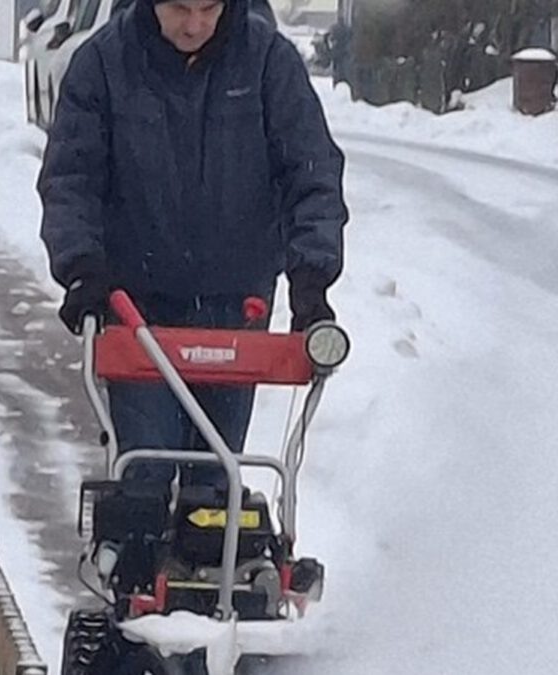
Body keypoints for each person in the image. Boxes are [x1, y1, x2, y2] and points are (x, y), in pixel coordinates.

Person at [37, 0, 347, 487]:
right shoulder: (104, 64)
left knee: (216, 478)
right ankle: (140, 532)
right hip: (137, 309)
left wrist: (311, 279)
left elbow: (311, 174)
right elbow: (71, 179)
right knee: (145, 468)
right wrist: (81, 267)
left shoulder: (268, 62)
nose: (195, 25)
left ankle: (214, 530)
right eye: (180, 9)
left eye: (208, 8)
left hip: (237, 306)